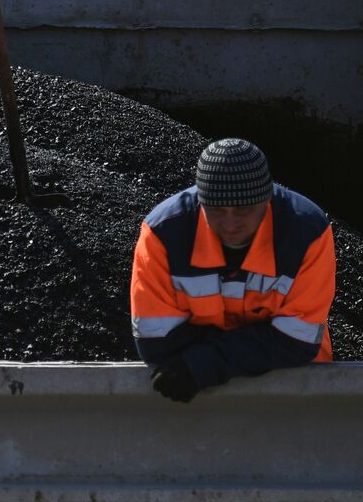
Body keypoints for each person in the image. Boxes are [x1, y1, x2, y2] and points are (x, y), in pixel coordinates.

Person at [129, 138, 335, 403]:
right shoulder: (163, 235)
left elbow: (298, 342)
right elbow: (155, 342)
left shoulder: (307, 233)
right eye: (216, 210)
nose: (230, 223)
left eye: (243, 210)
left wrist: (202, 362)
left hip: (298, 388)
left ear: (266, 201)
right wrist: (260, 345)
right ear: (200, 203)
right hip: (197, 393)